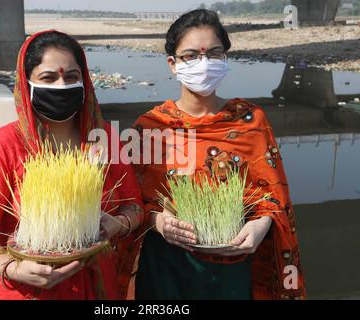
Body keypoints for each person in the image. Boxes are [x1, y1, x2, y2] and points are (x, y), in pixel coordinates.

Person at [130, 9, 306, 300]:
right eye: (191, 56)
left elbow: (274, 197)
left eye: (214, 53)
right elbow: (133, 203)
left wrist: (261, 225)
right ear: (172, 64)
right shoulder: (151, 127)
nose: (204, 63)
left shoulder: (251, 121)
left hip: (233, 268)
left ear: (225, 58)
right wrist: (158, 222)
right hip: (167, 267)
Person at [0, 30, 144, 300]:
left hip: (99, 289)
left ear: (84, 80)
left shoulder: (105, 140)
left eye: (71, 77)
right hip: (27, 292)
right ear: (27, 82)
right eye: (48, 77)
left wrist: (117, 223)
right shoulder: (1, 148)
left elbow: (134, 206)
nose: (61, 85)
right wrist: (11, 267)